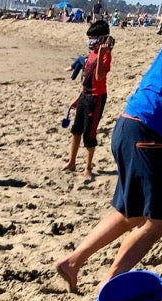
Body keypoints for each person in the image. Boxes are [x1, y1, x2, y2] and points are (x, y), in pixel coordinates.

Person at [55, 16, 162, 294]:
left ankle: (73, 261)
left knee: (129, 213)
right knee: (160, 220)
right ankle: (108, 286)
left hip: (131, 126)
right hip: (149, 133)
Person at [63, 21, 112, 183]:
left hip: (96, 98)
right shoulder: (90, 53)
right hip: (85, 95)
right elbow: (87, 79)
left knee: (89, 134)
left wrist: (101, 55)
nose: (90, 41)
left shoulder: (105, 55)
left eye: (93, 38)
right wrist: (78, 98)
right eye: (89, 38)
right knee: (76, 130)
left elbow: (99, 76)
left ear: (102, 38)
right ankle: (71, 162)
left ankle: (88, 167)